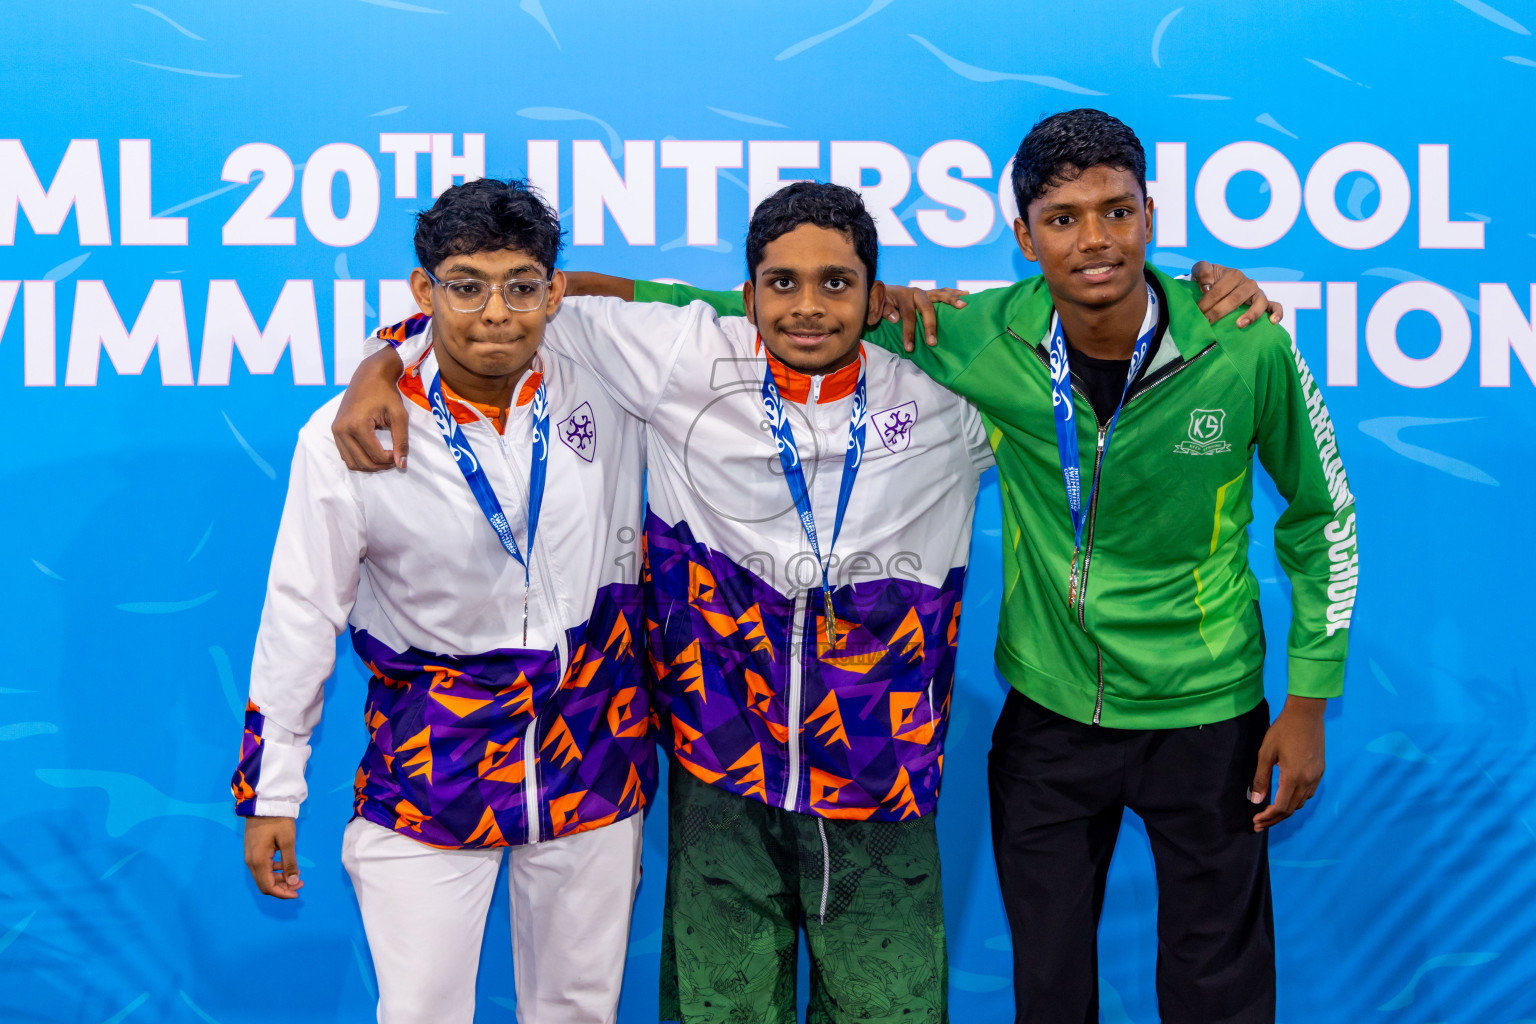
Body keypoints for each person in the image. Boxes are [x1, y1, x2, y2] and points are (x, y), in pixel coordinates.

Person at [334, 182, 1278, 1024]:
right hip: (722, 774)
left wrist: (1201, 300)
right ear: (746, 296)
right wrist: (384, 360)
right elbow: (517, 302)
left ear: (876, 294)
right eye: (781, 283)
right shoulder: (683, 357)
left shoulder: (950, 384)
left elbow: (1093, 328)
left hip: (880, 783)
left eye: (837, 283)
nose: (809, 305)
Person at [873, 109, 1355, 1024]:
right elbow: (772, 310)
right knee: (1049, 991)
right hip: (1050, 718)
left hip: (1211, 717)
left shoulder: (1245, 343)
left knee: (1220, 992)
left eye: (1117, 211)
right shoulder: (975, 336)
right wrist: (566, 289)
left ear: (1149, 214)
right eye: (1062, 219)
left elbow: (1322, 515)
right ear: (1023, 236)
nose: (1095, 240)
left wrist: (1307, 702)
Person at [232, 178, 654, 1024]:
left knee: (578, 1009)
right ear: (425, 292)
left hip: (592, 751)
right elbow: (302, 609)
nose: (496, 313)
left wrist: (384, 349)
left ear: (554, 290)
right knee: (421, 1010)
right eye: (465, 286)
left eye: (523, 286)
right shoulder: (352, 433)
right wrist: (273, 792)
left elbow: (707, 307)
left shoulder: (609, 381)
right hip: (433, 759)